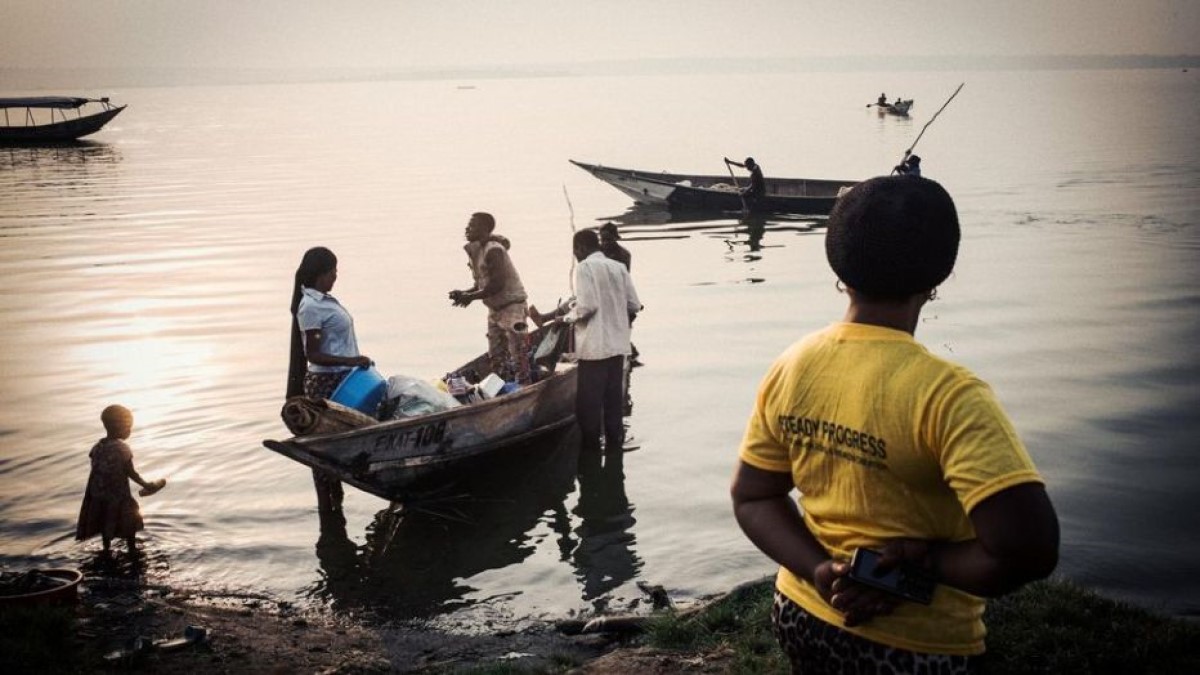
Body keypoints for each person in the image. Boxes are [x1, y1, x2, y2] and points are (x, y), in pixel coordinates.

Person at [730, 175, 1059, 673]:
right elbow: (1028, 551)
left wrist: (820, 569)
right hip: (917, 646)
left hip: (803, 612)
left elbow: (753, 498)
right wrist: (924, 563)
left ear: (838, 265)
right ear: (940, 274)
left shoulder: (793, 364)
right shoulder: (949, 396)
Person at [532, 229, 641, 454]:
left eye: (576, 252)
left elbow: (587, 307)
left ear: (580, 248)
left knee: (588, 406)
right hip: (618, 347)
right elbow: (633, 305)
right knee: (613, 404)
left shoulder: (584, 268)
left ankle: (590, 451)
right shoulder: (618, 267)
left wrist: (564, 319)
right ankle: (615, 447)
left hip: (594, 349)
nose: (576, 256)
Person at [288, 246, 372, 513]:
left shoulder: (324, 300)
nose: (336, 276)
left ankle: (336, 510)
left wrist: (353, 364)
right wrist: (352, 360)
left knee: (343, 441)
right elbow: (313, 354)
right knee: (325, 451)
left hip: (342, 379)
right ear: (320, 273)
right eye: (332, 272)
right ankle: (328, 506)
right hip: (326, 384)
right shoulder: (310, 307)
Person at [448, 212, 532, 385]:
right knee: (496, 356)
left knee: (519, 354)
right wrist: (464, 294)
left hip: (512, 308)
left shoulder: (493, 250)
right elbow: (482, 285)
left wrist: (470, 297)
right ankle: (504, 387)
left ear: (485, 229)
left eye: (472, 225)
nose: (467, 229)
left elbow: (497, 284)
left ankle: (525, 386)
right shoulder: (477, 251)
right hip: (495, 310)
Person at [76, 405, 166, 555]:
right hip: (118, 495)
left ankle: (106, 550)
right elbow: (131, 472)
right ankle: (132, 549)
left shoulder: (97, 447)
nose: (130, 431)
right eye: (128, 427)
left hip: (99, 495)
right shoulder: (122, 448)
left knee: (105, 521)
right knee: (130, 520)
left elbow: (96, 471)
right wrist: (147, 485)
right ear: (120, 427)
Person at [598, 222, 640, 365]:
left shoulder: (624, 254)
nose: (605, 243)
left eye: (608, 239)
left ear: (615, 238)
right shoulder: (597, 253)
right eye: (603, 239)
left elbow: (622, 280)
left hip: (618, 292)